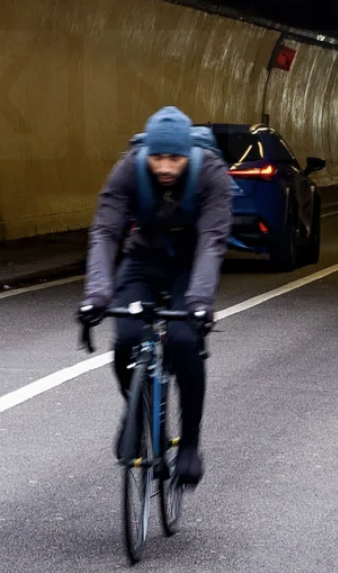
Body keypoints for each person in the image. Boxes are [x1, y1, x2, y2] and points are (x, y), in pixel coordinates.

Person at [78, 106, 232, 487]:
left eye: (174, 158)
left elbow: (212, 240)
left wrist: (199, 302)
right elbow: (105, 232)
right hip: (143, 260)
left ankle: (190, 444)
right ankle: (138, 414)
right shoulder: (129, 168)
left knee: (183, 341)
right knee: (126, 341)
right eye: (158, 157)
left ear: (188, 154)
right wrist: (96, 295)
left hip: (189, 265)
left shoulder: (210, 173)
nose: (165, 166)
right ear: (147, 152)